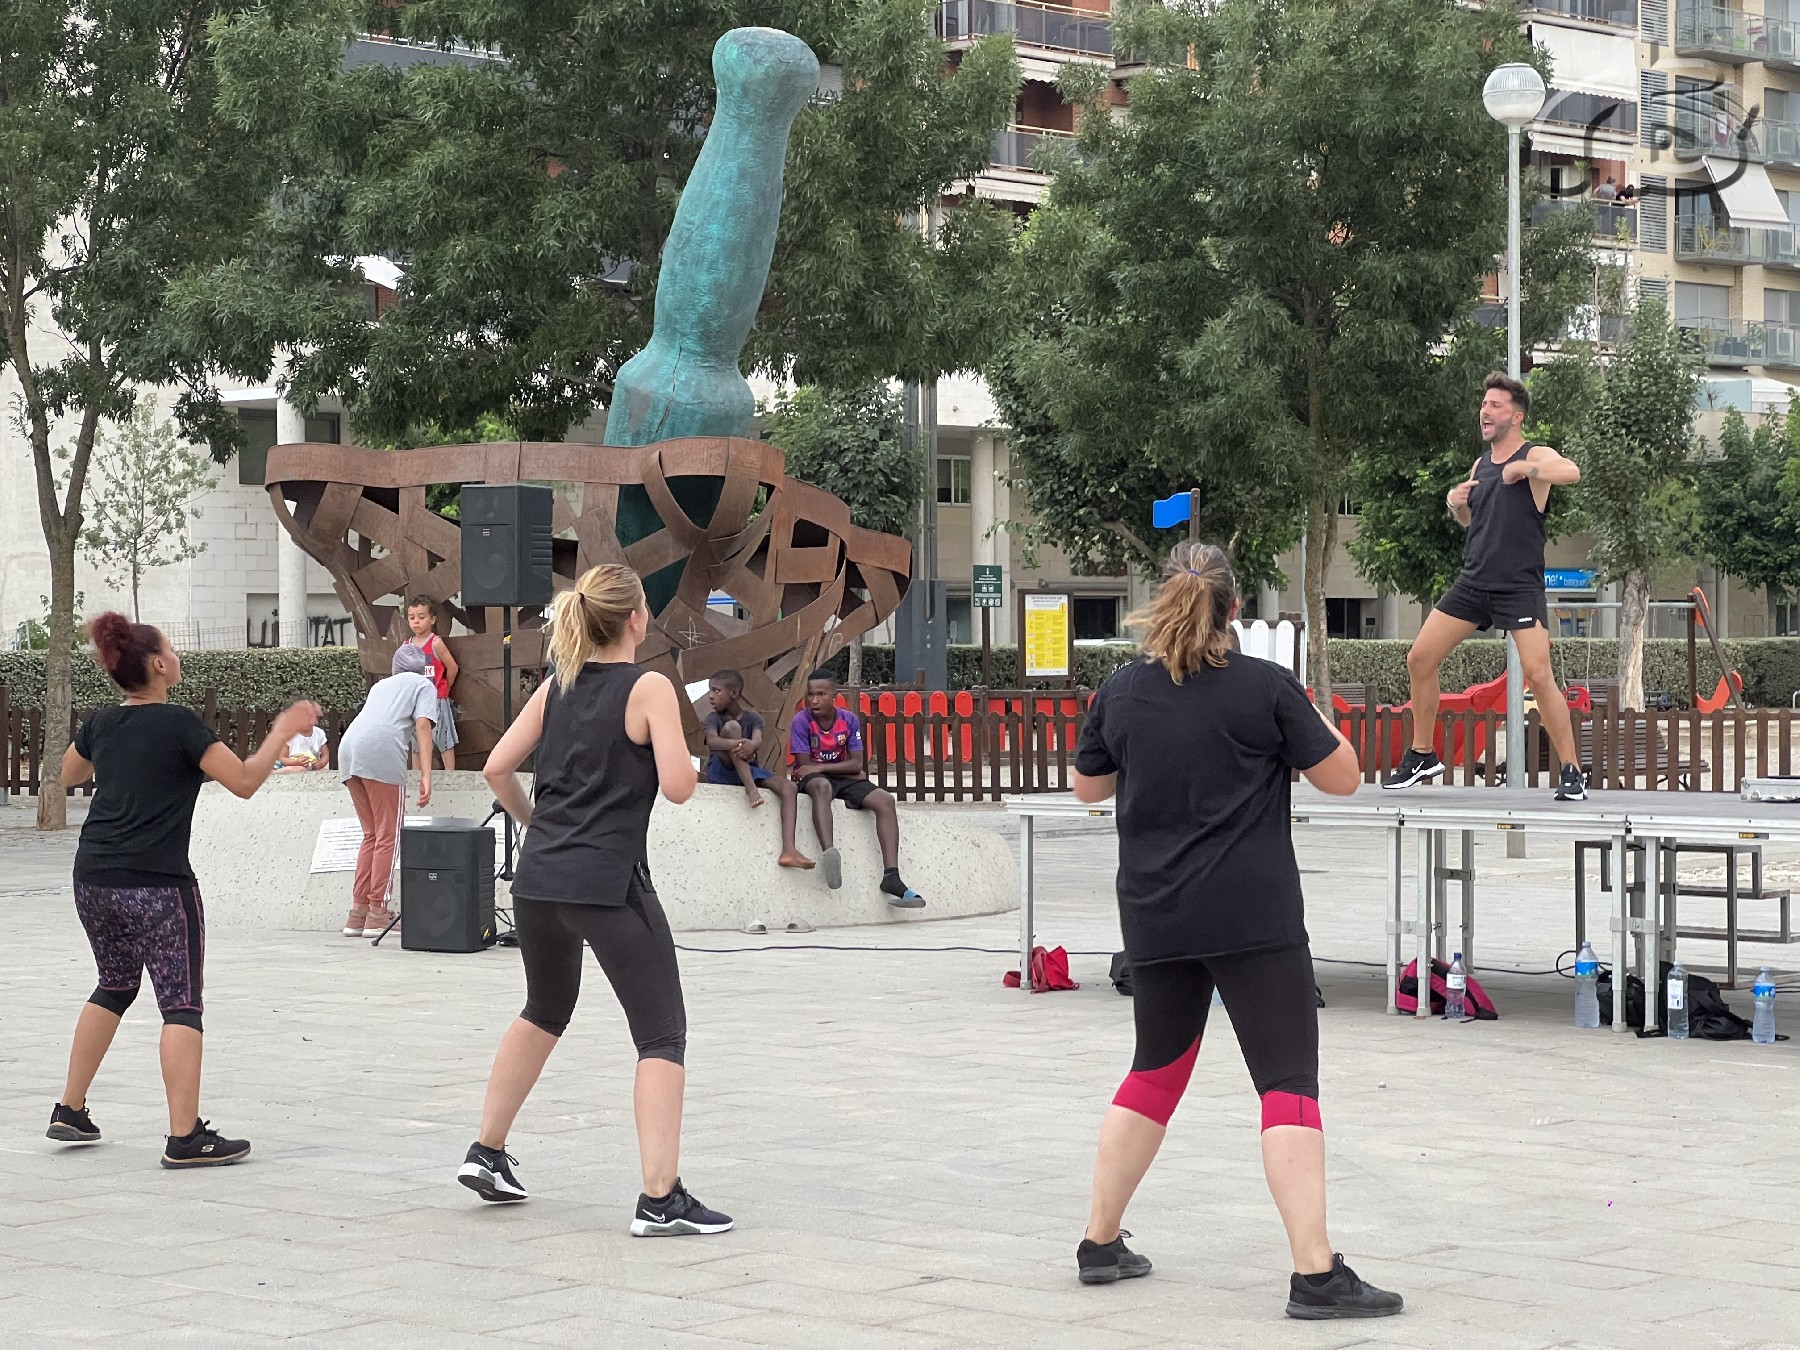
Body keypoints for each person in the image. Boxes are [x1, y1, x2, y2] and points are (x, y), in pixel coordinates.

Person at [1069, 543, 1402, 1320]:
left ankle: (1099, 1242)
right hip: (1253, 917)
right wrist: (1306, 714)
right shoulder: (1265, 686)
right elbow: (1344, 776)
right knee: (1286, 1083)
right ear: (1236, 610)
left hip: (1155, 913)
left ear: (1163, 601)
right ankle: (1315, 1275)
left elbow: (1088, 786)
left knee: (1154, 1071)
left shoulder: (1121, 690)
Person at [459, 563, 732, 1238]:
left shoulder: (558, 684)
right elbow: (678, 787)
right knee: (661, 1034)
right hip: (608, 883)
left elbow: (496, 767)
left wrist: (535, 824)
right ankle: (660, 1198)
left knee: (543, 1009)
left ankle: (487, 1152)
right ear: (636, 618)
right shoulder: (650, 687)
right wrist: (690, 755)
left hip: (538, 881)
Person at [47, 612, 319, 1168]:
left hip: (94, 878)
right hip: (159, 886)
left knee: (113, 985)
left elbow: (68, 774)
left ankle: (69, 1109)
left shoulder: (102, 722)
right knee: (180, 1004)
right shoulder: (180, 724)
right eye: (170, 649)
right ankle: (184, 1137)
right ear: (158, 665)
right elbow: (244, 782)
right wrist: (281, 732)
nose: (175, 655)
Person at [1383, 372, 1585, 800]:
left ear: (1516, 416)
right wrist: (1455, 505)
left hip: (1518, 586)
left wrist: (1525, 469)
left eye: (1495, 406)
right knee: (1419, 658)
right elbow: (1474, 523)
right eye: (1483, 404)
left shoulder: (1534, 455)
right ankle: (1422, 755)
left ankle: (1572, 771)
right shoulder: (1480, 466)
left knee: (1538, 674)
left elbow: (1572, 471)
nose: (1485, 412)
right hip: (1474, 582)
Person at [789, 670, 922, 907]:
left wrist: (830, 768)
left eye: (821, 694)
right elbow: (805, 767)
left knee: (885, 800)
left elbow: (857, 764)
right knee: (821, 786)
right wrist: (845, 770)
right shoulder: (801, 720)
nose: (814, 700)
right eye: (811, 695)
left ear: (834, 696)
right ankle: (829, 853)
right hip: (819, 780)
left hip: (840, 777)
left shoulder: (849, 720)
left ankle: (891, 876)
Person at [335, 645, 437, 938]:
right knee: (388, 835)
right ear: (423, 669)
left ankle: (358, 913)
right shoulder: (423, 685)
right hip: (381, 752)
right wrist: (426, 775)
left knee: (371, 834)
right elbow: (423, 726)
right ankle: (378, 912)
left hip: (349, 749)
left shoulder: (380, 686)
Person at [702, 669, 811, 869]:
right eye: (711, 690)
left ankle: (789, 850)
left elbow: (758, 740)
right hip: (722, 770)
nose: (710, 696)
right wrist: (740, 744)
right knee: (732, 728)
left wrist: (751, 745)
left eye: (716, 691)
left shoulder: (753, 718)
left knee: (789, 787)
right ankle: (751, 790)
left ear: (734, 693)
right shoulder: (712, 718)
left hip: (748, 769)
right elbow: (713, 741)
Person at [404, 596, 459, 772]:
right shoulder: (406, 646)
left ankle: (450, 775)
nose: (416, 621)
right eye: (412, 617)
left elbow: (452, 667)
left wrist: (445, 688)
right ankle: (416, 775)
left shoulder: (436, 643)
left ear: (432, 619)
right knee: (416, 742)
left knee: (444, 738)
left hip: (436, 699)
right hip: (415, 701)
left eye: (421, 617)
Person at [275, 704, 329, 772]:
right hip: (293, 765)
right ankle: (275, 772)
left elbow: (326, 755)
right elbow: (282, 758)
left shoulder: (319, 733)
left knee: (327, 767)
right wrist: (296, 762)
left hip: (312, 767)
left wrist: (321, 763)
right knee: (301, 769)